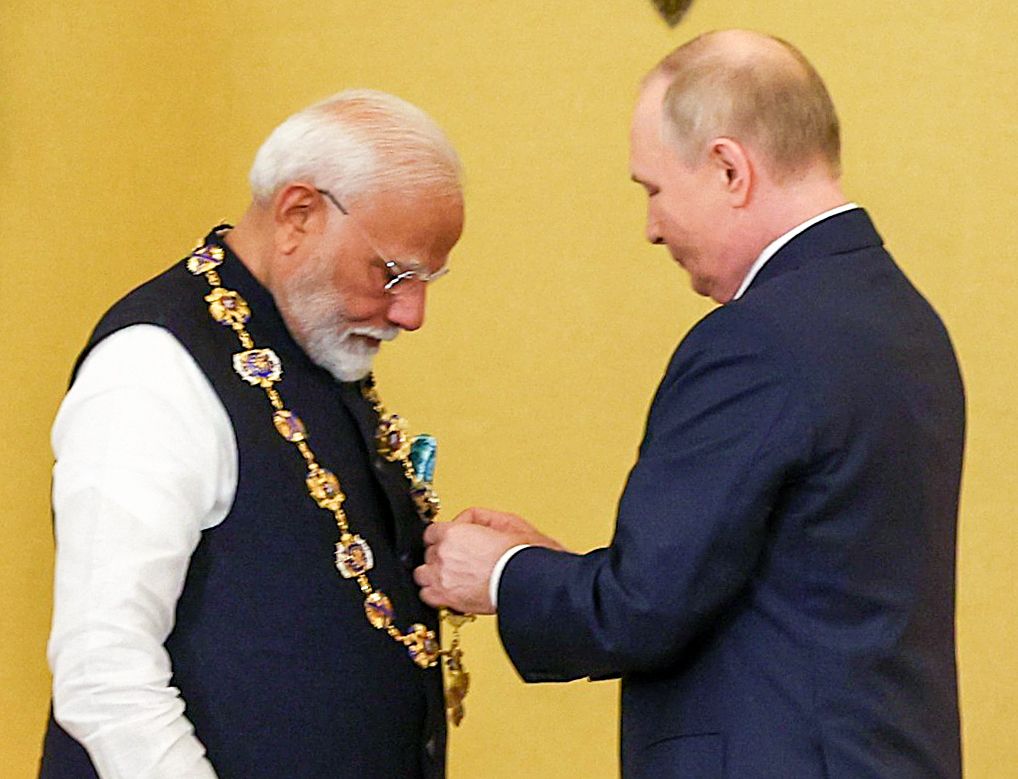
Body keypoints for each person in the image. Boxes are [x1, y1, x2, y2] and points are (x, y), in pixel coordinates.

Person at [416, 29, 964, 779]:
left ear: (729, 168)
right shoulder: (904, 319)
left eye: (654, 190)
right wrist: (556, 566)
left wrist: (504, 574)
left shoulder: (757, 340)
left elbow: (643, 610)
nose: (650, 227)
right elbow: (774, 583)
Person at [40, 90, 464, 779]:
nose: (411, 312)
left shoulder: (308, 344)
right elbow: (103, 670)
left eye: (427, 280)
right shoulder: (152, 366)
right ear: (298, 214)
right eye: (392, 274)